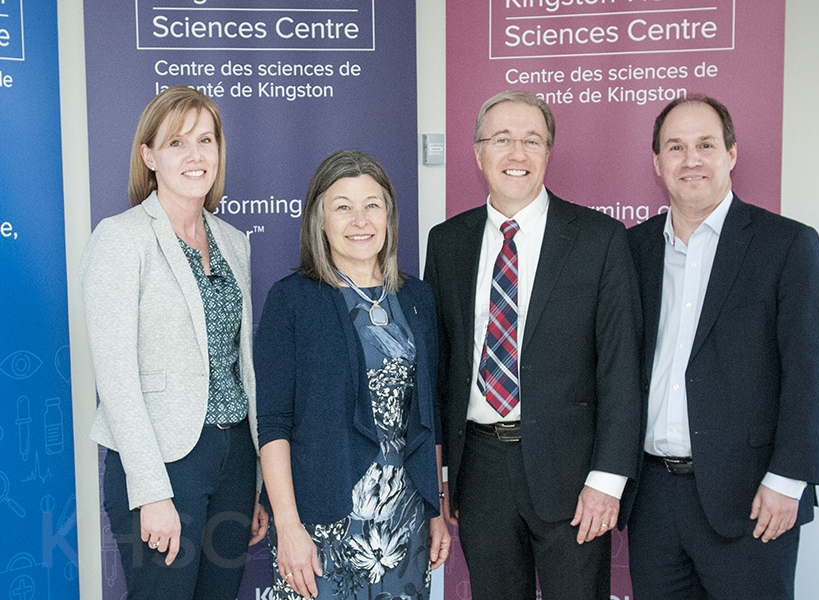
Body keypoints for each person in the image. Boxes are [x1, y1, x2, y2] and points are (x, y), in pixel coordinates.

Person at [423, 90, 643, 599]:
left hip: (574, 475)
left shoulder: (599, 238)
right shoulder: (447, 241)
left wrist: (607, 480)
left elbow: (621, 367)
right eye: (502, 139)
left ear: (548, 152)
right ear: (478, 153)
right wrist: (441, 478)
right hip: (479, 472)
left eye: (531, 141)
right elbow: (440, 366)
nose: (516, 154)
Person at [624, 94, 819, 599]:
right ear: (657, 162)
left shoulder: (786, 244)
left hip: (752, 497)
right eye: (675, 147)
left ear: (732, 154)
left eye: (705, 144)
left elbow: (815, 370)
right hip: (653, 499)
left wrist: (789, 479)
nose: (691, 159)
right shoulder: (633, 250)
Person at [81, 86, 267, 599]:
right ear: (149, 155)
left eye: (205, 140)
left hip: (233, 458)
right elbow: (116, 378)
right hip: (163, 463)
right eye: (178, 142)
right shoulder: (120, 238)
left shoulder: (233, 241)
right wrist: (151, 492)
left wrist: (252, 484)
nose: (195, 155)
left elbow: (239, 365)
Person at [254, 150, 451, 600]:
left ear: (389, 216)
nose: (359, 220)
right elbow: (273, 424)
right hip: (321, 520)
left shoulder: (417, 297)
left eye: (372, 205)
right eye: (342, 206)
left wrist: (436, 507)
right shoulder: (292, 300)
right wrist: (288, 527)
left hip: (406, 521)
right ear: (320, 220)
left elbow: (429, 415)